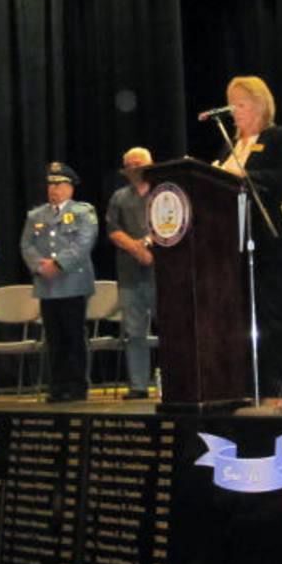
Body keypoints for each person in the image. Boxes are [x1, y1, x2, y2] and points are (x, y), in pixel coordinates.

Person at [216, 75, 282, 405]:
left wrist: (246, 175)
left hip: (268, 240)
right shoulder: (229, 146)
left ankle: (278, 388)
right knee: (242, 319)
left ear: (260, 105)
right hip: (232, 245)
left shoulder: (277, 138)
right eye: (231, 104)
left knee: (274, 315)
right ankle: (246, 385)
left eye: (240, 104)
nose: (233, 112)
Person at [21, 162, 98, 403]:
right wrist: (39, 265)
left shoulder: (83, 212)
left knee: (73, 336)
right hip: (47, 285)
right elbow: (26, 245)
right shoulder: (36, 215)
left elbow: (84, 243)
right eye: (50, 185)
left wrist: (59, 264)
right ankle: (57, 386)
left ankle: (76, 386)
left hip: (73, 282)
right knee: (53, 339)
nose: (53, 190)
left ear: (70, 188)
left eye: (59, 185)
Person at [106, 147, 155, 400]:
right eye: (130, 164)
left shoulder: (164, 192)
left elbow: (174, 223)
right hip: (129, 275)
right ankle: (138, 385)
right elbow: (113, 230)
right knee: (134, 332)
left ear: (151, 164)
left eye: (139, 163)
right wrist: (137, 248)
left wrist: (148, 245)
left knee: (171, 329)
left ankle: (176, 382)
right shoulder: (119, 197)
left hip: (162, 273)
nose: (135, 167)